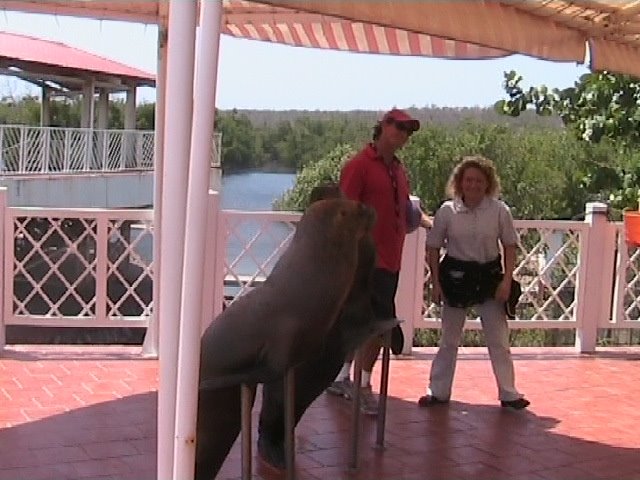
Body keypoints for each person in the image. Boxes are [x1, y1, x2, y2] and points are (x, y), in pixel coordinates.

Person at [326, 108, 432, 416]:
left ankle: (343, 377)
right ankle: (363, 386)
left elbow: (403, 211)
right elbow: (343, 212)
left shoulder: (398, 169)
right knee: (373, 326)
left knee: (363, 322)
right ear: (383, 127)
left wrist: (425, 221)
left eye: (408, 130)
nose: (403, 134)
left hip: (391, 259)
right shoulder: (359, 166)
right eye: (398, 127)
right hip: (366, 261)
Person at [418, 155, 530, 410]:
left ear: (487, 183)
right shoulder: (447, 211)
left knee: (498, 339)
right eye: (468, 180)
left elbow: (510, 246)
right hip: (456, 276)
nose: (474, 185)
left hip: (489, 276)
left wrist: (506, 281)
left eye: (479, 180)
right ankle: (438, 391)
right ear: (460, 183)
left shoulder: (500, 210)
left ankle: (509, 394)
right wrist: (435, 283)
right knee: (449, 339)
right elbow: (433, 248)